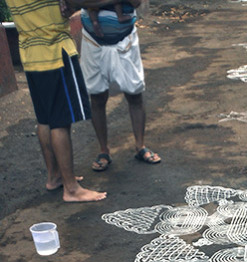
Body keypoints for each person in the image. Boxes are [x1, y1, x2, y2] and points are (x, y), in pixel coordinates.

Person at [4, 0, 106, 202]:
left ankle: (54, 176)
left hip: (30, 54)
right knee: (60, 121)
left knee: (45, 119)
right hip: (54, 52)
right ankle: (71, 189)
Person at [76, 0, 161, 171]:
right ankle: (103, 150)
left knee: (134, 94)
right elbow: (77, 2)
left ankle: (140, 146)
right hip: (93, 41)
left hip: (125, 39)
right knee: (97, 97)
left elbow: (136, 2)